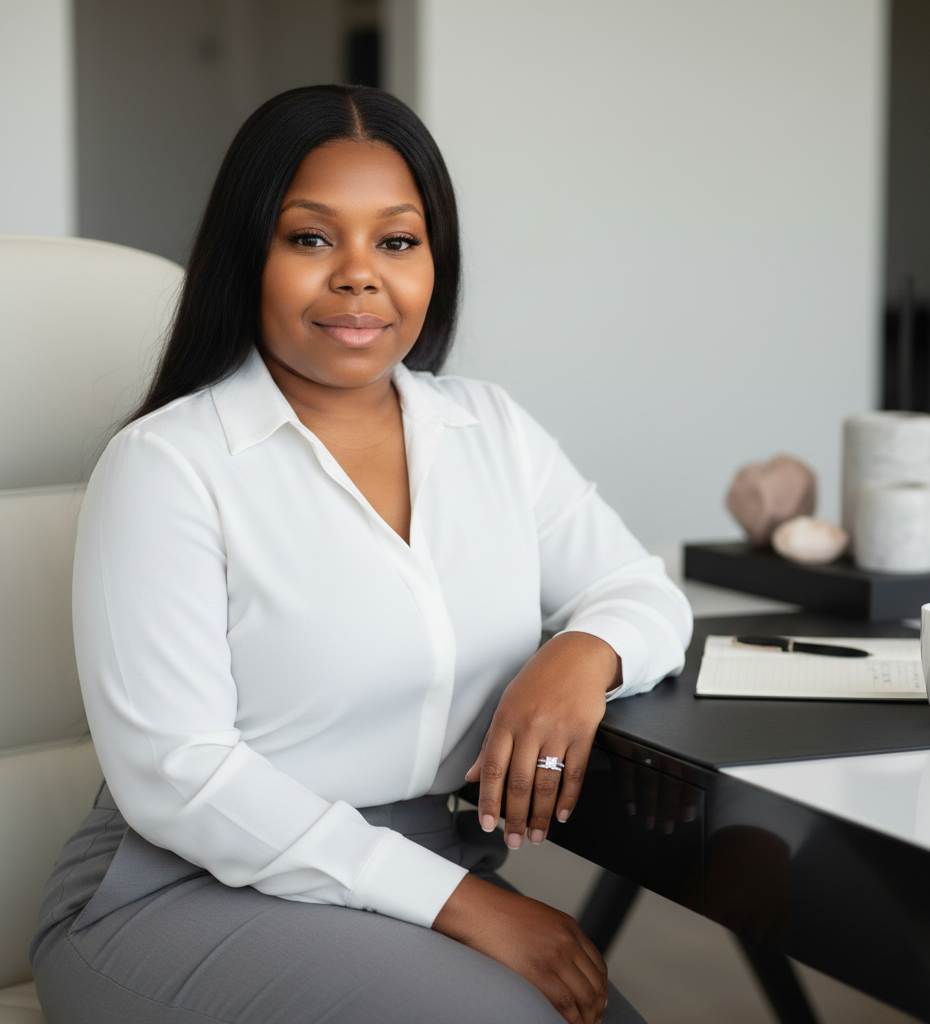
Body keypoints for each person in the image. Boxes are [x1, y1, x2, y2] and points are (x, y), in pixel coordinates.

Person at [30, 85, 692, 1024]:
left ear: (434, 261)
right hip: (177, 891)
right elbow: (179, 775)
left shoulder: (489, 430)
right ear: (246, 256)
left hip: (428, 871)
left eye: (396, 240)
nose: (358, 276)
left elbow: (641, 591)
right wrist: (463, 905)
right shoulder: (168, 466)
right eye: (310, 239)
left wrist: (580, 657)